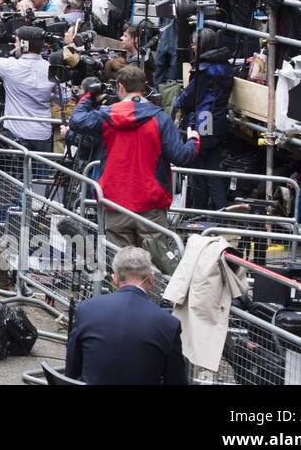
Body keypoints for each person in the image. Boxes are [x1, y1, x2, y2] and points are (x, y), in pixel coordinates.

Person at [68, 65, 200, 247]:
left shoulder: (106, 116)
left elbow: (76, 121)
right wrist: (194, 141)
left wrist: (89, 96)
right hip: (151, 203)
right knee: (153, 266)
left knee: (121, 263)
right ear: (143, 87)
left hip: (115, 201)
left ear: (120, 87)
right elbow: (181, 156)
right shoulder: (161, 119)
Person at [64, 246, 188, 385]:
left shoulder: (86, 310)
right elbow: (177, 380)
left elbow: (71, 372)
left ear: (115, 279)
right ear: (151, 279)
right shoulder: (168, 324)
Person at [174, 29, 234, 210]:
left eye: (194, 43)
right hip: (219, 122)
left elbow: (188, 99)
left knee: (198, 173)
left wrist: (178, 101)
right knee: (213, 172)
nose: (192, 47)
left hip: (203, 122)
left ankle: (197, 212)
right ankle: (220, 213)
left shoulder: (203, 70)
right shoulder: (225, 68)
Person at [0, 23, 53, 155]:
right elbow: (65, 97)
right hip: (42, 133)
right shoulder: (51, 68)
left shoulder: (11, 66)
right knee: (41, 176)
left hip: (16, 133)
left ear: (24, 45)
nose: (14, 45)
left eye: (16, 41)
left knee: (12, 174)